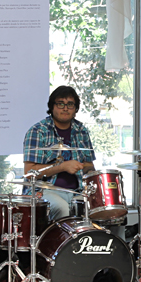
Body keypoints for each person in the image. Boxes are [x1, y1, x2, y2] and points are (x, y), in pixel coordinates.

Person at [23, 85, 95, 220]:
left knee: (103, 208)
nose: (65, 108)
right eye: (60, 104)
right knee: (62, 208)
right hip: (45, 191)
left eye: (70, 104)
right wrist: (62, 167)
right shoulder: (38, 131)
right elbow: (29, 172)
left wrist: (93, 177)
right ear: (52, 107)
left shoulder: (81, 131)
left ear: (75, 109)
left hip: (77, 192)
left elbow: (89, 166)